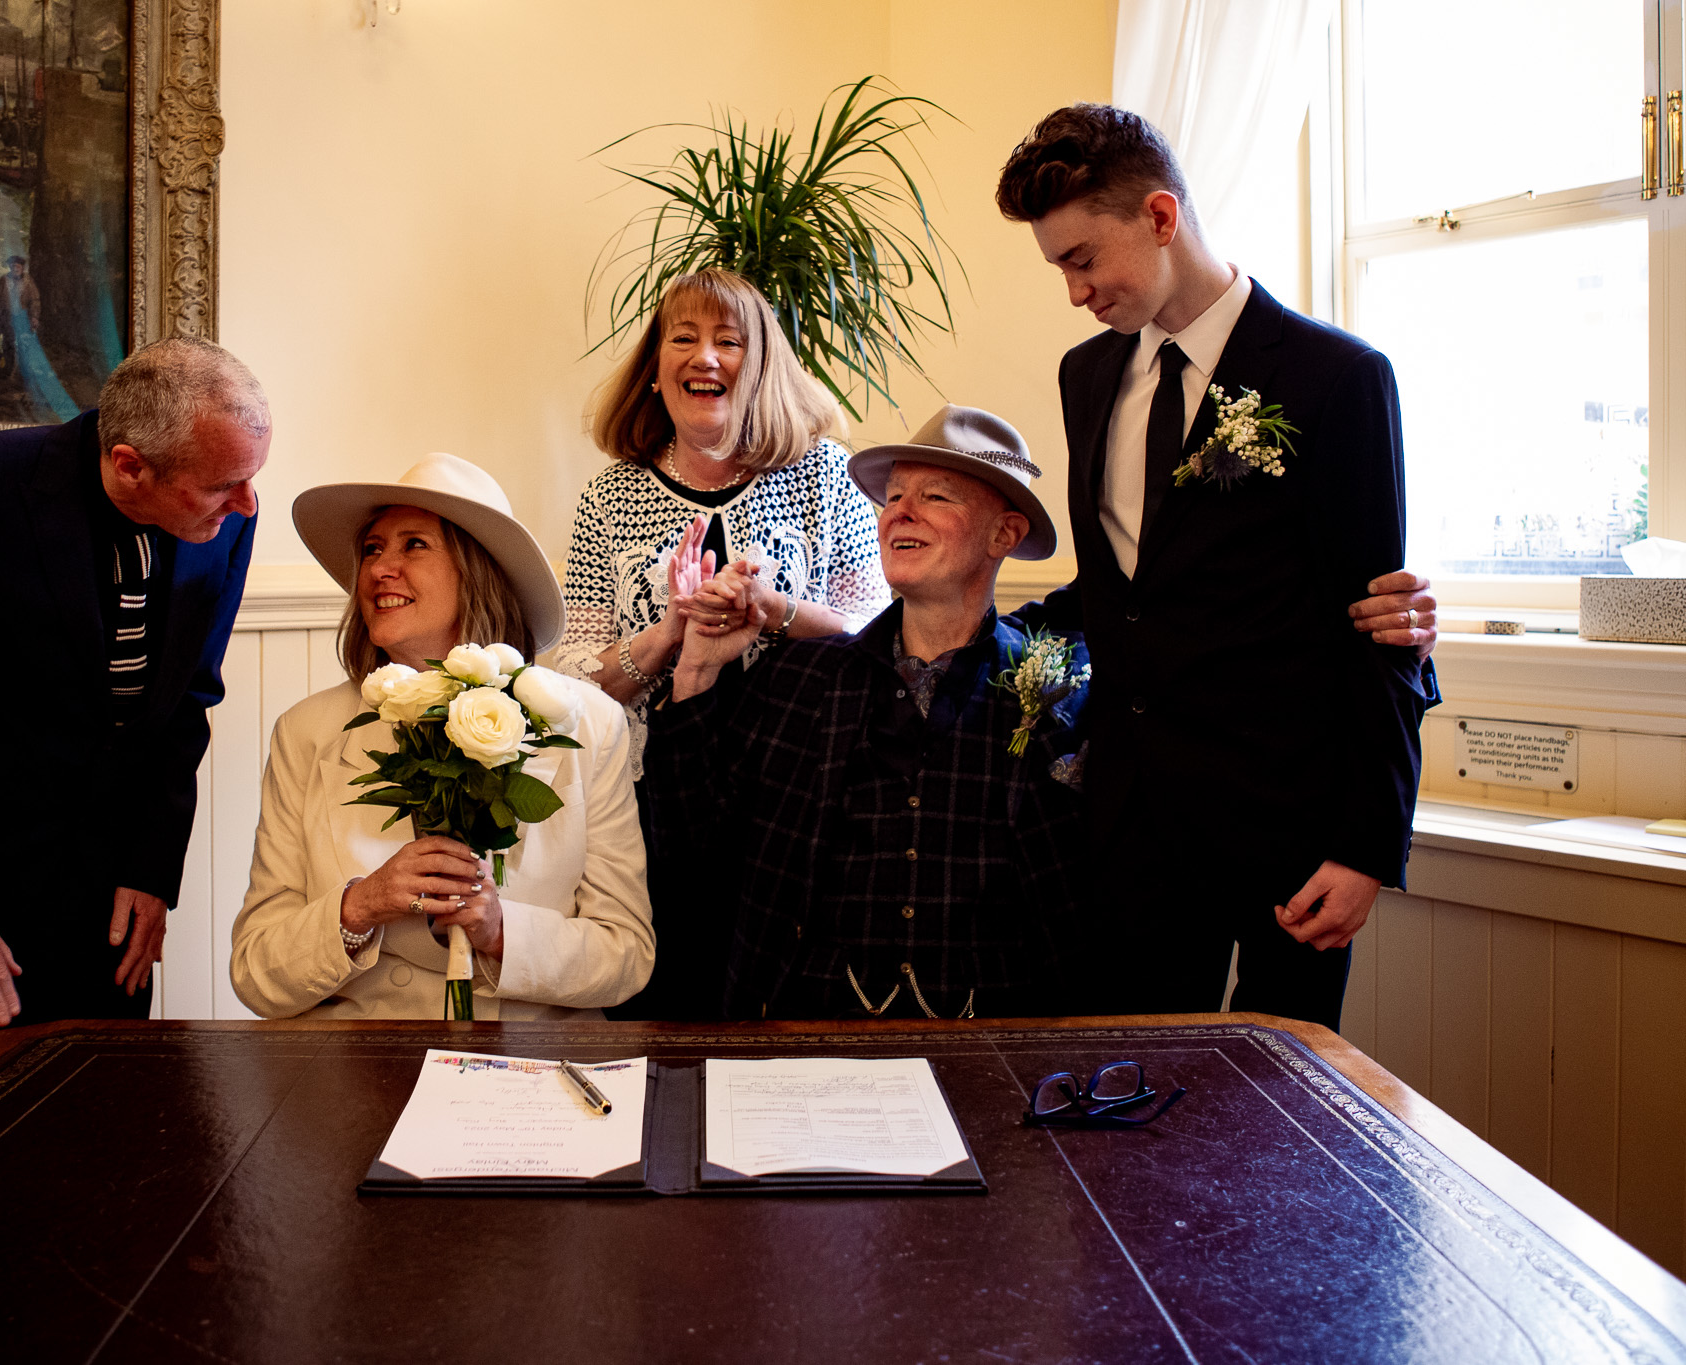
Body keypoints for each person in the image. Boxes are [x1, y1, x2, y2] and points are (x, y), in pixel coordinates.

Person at [993, 103, 1440, 1029]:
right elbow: (1123, 593)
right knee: (1129, 1108)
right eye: (1058, 268)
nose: (1074, 292)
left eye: (1082, 259)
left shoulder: (1337, 376)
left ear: (1160, 217)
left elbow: (1382, 630)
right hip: (1131, 827)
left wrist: (1367, 847)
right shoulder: (1087, 377)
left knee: (1281, 1129)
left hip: (1292, 833)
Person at [0, 337, 269, 1101]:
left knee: (97, 1140)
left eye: (250, 478)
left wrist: (151, 867)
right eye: (225, 485)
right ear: (131, 465)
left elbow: (188, 696)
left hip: (107, 914)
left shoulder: (222, 513)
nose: (247, 505)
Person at [643, 406, 1090, 1020]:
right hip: (805, 1034)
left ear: (1004, 536)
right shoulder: (799, 678)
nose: (899, 512)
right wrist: (696, 671)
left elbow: (1084, 902)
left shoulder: (1059, 693)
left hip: (995, 1050)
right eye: (895, 495)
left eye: (935, 495)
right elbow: (691, 854)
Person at [555, 266, 892, 1017]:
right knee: (666, 1006)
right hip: (653, 802)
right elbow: (574, 674)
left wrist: (774, 610)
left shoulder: (825, 477)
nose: (704, 357)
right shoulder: (609, 496)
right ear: (655, 370)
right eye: (684, 338)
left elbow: (876, 634)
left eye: (728, 341)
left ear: (762, 364)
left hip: (797, 794)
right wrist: (671, 632)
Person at [228, 455, 653, 1020]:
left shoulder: (589, 723)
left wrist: (502, 933)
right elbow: (256, 972)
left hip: (525, 1072)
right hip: (357, 1071)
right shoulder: (306, 732)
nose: (381, 568)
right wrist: (360, 906)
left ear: (479, 571)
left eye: (415, 545)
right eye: (373, 549)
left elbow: (626, 954)